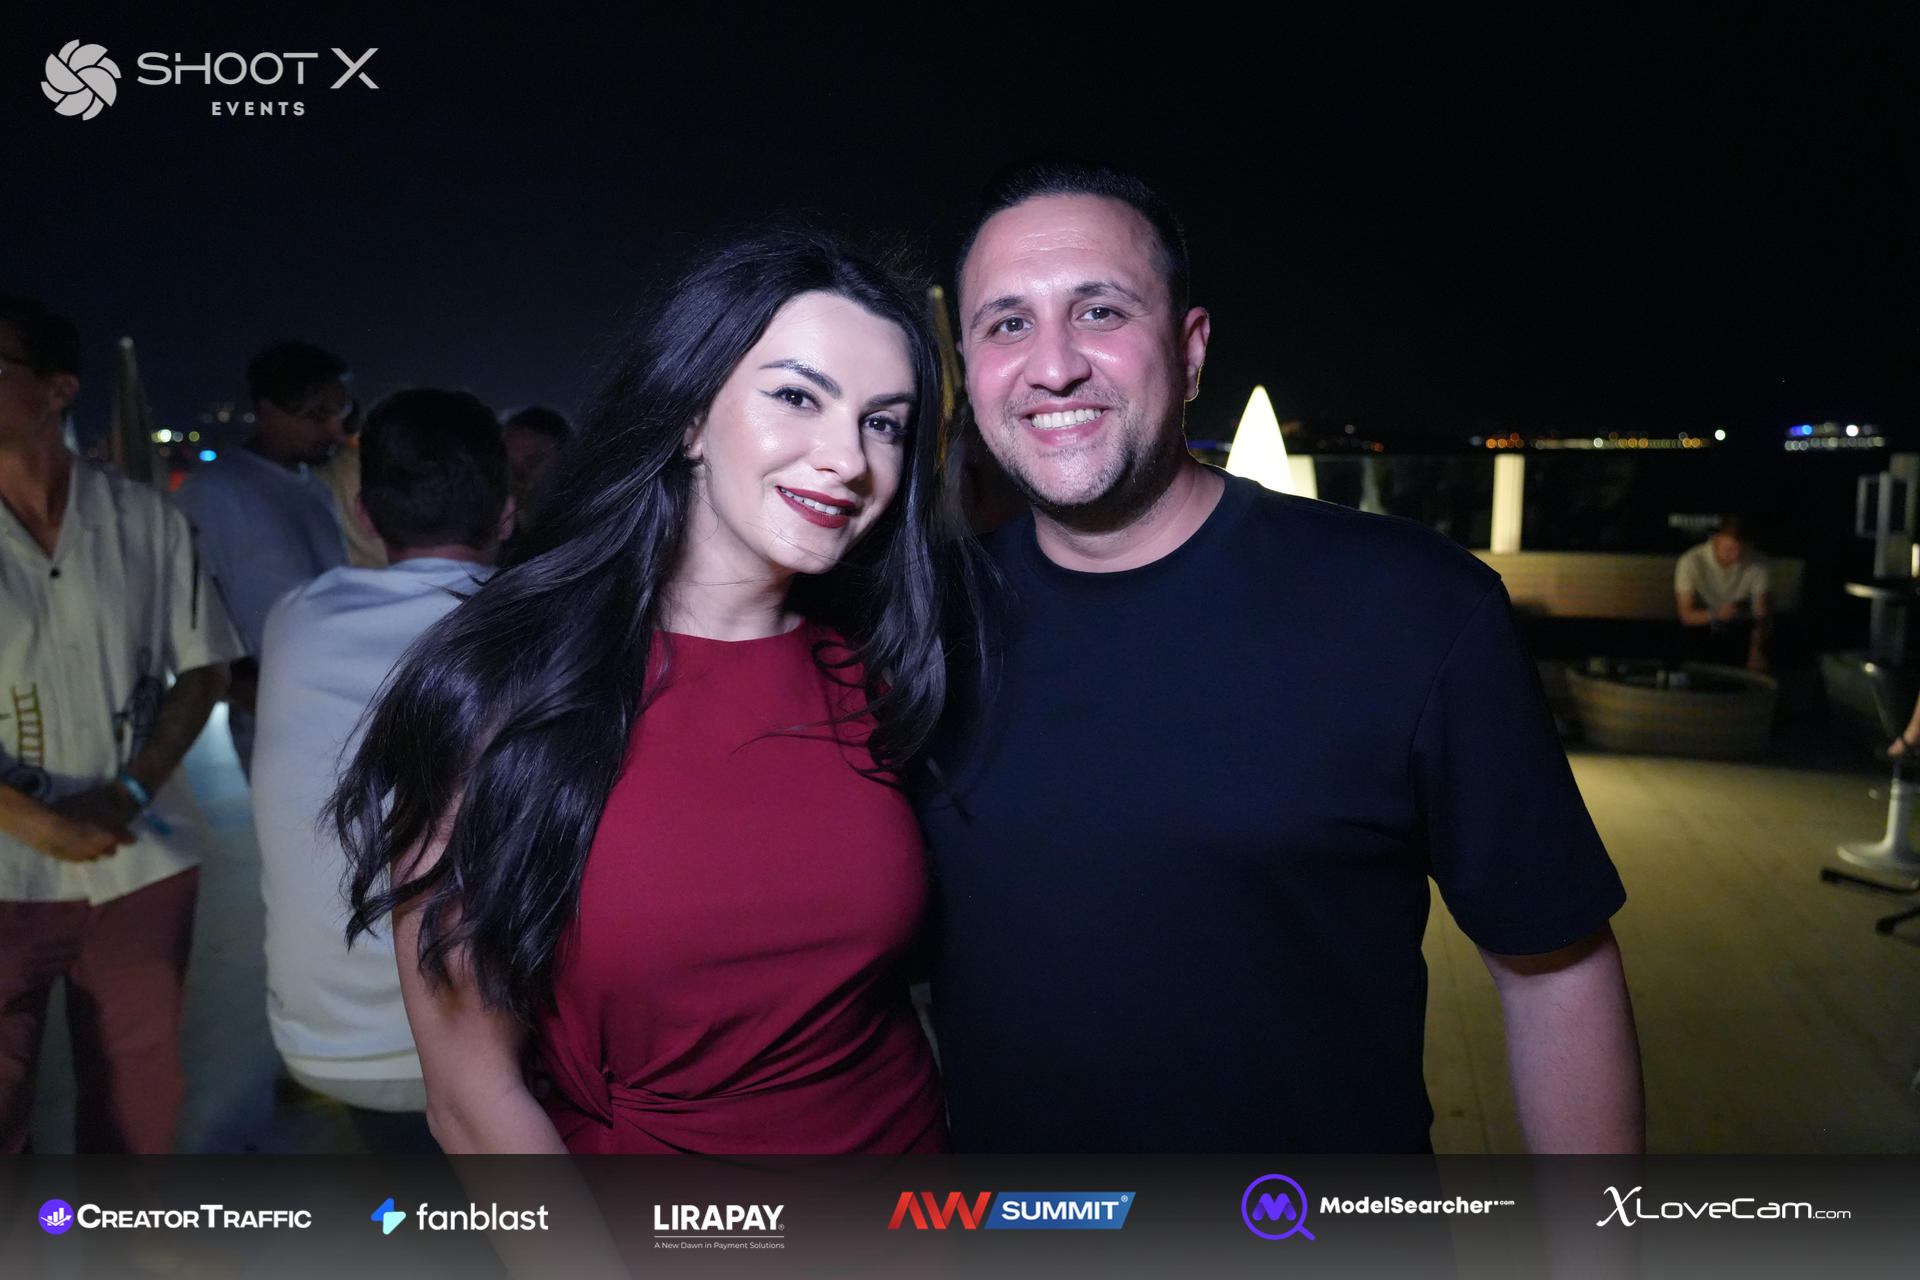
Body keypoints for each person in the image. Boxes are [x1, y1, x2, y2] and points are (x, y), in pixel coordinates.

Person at [917, 163, 1644, 1154]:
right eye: (1008, 324)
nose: (1053, 366)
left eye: (1099, 311)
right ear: (969, 370)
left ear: (1190, 349)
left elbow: (1556, 971)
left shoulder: (1412, 606)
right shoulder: (926, 620)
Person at [333, 231, 980, 1155]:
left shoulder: (881, 669)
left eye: (884, 423)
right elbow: (475, 1101)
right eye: (798, 396)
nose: (848, 457)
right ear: (689, 418)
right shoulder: (505, 688)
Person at [0, 295, 243, 1153]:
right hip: (5, 872)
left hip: (140, 860)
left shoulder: (144, 519)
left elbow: (204, 666)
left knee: (139, 1089)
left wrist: (130, 789)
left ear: (58, 388)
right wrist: (36, 821)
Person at [251, 389, 514, 1148]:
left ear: (365, 517)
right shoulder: (531, 625)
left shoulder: (297, 614)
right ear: (506, 515)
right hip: (492, 1050)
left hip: (327, 1043)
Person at [176, 341, 352, 770]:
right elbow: (195, 617)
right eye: (318, 416)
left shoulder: (315, 489)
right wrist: (259, 695)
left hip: (335, 705)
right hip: (274, 720)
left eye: (341, 414)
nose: (335, 431)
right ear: (268, 409)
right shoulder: (213, 492)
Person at [1674, 516, 1770, 672]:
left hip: (1741, 629)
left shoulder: (1758, 563)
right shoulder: (1691, 561)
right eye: (1729, 549)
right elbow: (1686, 614)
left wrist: (1755, 651)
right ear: (1717, 540)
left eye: (1741, 551)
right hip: (1701, 628)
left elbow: (1762, 615)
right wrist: (1716, 614)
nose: (1735, 556)